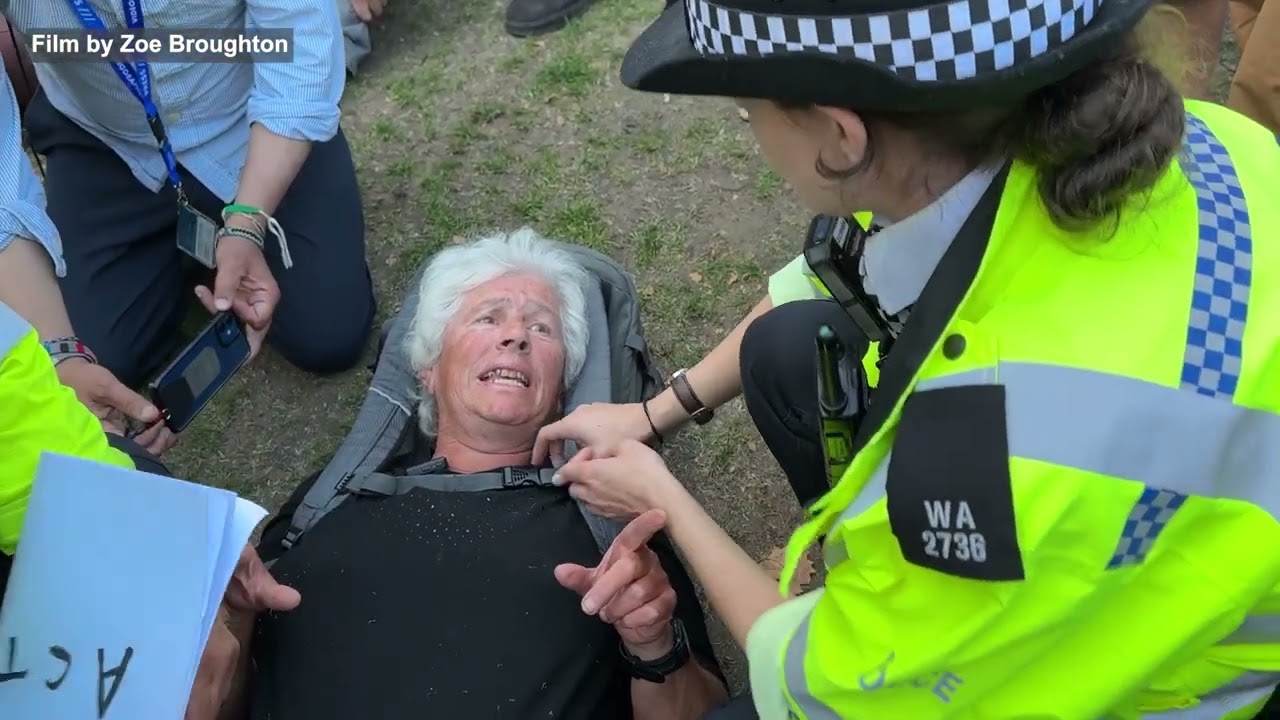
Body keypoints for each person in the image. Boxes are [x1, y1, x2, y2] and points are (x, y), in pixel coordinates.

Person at [546, 0, 1280, 717]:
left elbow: (829, 691)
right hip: (1140, 541)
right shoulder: (1197, 137)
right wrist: (656, 411)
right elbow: (842, 263)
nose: (753, 135)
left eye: (749, 113)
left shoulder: (993, 467)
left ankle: (892, 599)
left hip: (1160, 685)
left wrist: (664, 499)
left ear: (840, 136)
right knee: (785, 349)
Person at [185, 230, 728, 720]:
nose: (515, 336)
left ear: (562, 387)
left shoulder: (612, 525)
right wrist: (237, 620)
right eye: (488, 318)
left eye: (541, 328)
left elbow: (708, 712)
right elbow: (227, 698)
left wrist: (655, 647)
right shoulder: (325, 505)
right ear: (427, 367)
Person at [4, 0, 376, 393]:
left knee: (328, 332)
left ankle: (211, 242)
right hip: (105, 138)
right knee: (94, 359)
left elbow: (299, 40)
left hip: (246, 109)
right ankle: (194, 250)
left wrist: (247, 222)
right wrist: (62, 356)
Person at [0, 52, 175, 453]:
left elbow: (1, 189)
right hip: (97, 136)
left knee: (326, 333)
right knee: (102, 349)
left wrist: (61, 357)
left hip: (220, 117)